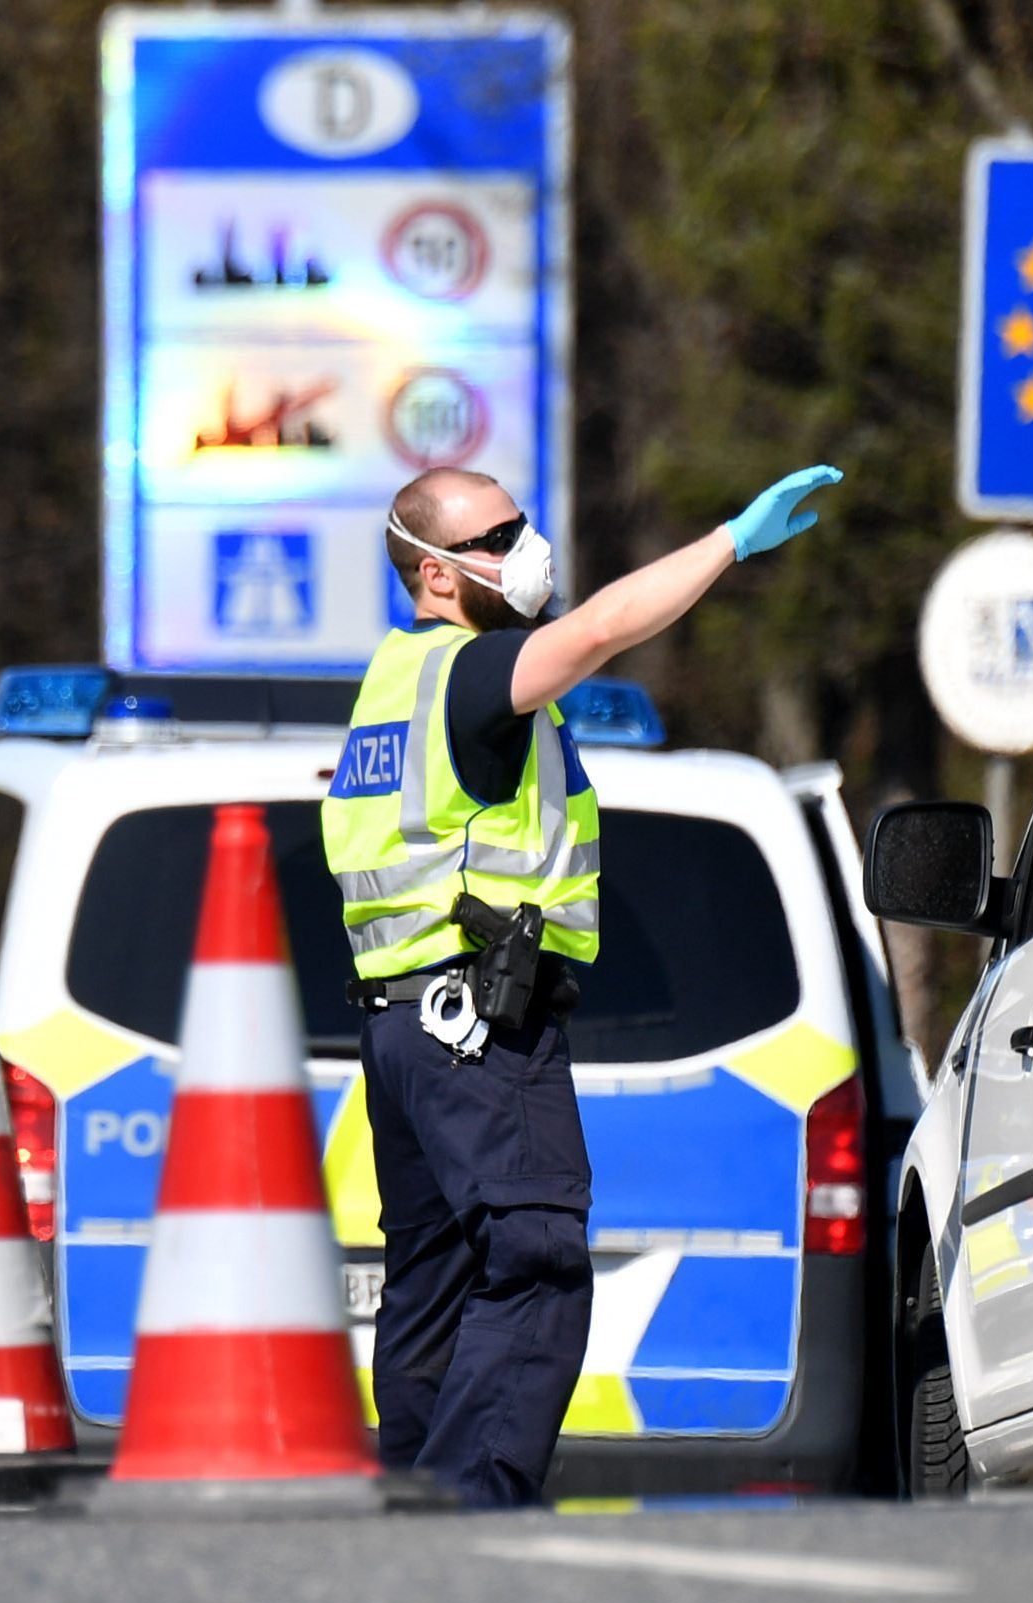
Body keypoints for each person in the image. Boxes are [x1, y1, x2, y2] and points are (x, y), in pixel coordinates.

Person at [319, 462, 841, 1507]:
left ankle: (412, 1502)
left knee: (435, 1285)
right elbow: (601, 628)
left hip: (404, 1028)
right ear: (432, 576)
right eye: (495, 536)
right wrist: (730, 539)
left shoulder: (391, 685)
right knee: (535, 1258)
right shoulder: (469, 677)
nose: (525, 547)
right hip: (476, 1030)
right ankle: (472, 1500)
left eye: (521, 522)